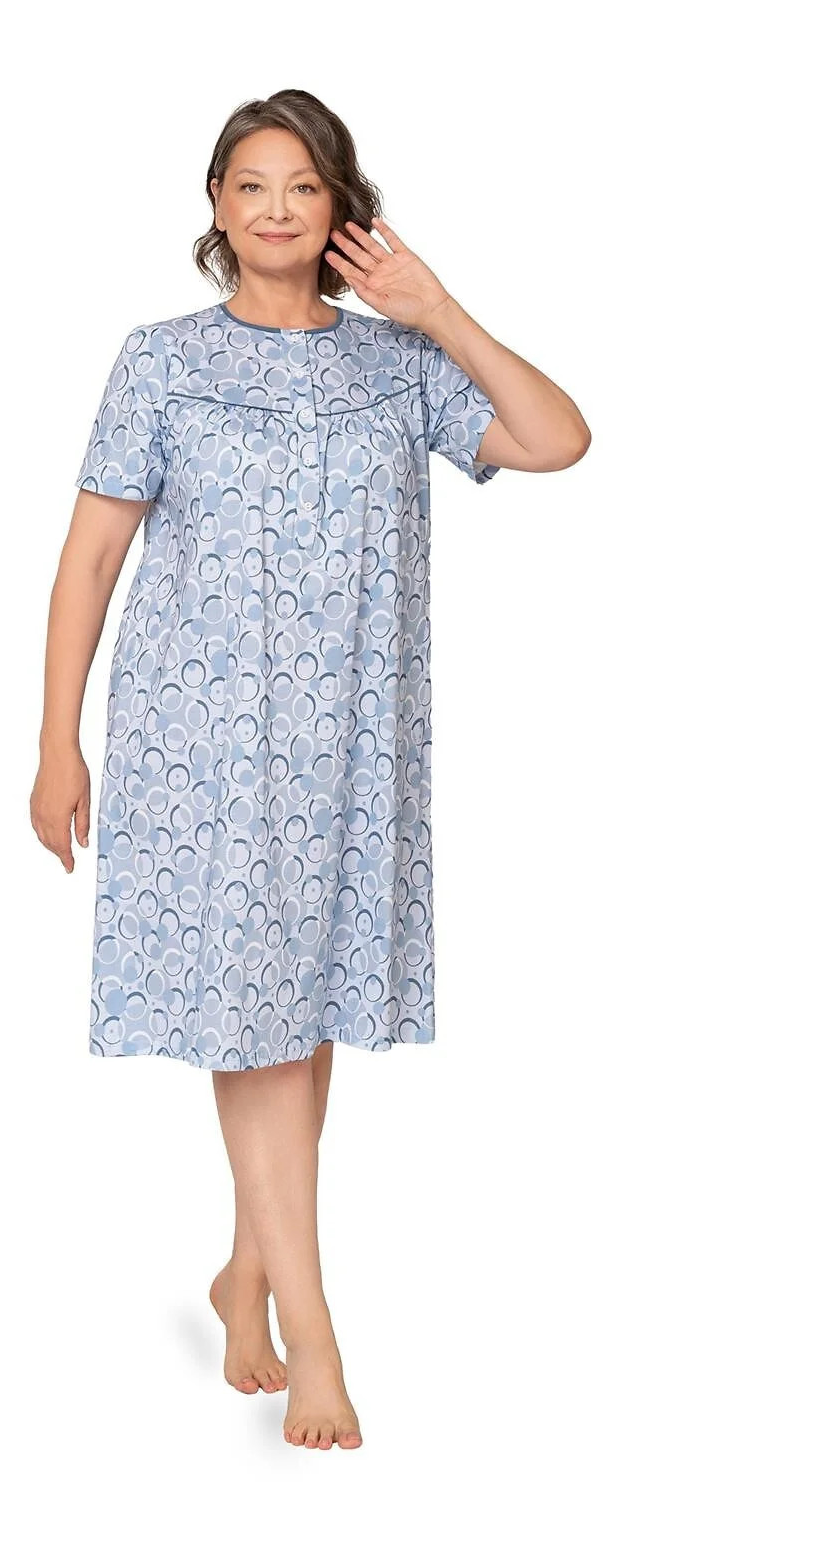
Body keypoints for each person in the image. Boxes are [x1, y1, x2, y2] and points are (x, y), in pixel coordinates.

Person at [30, 89, 590, 1452]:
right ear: (217, 209)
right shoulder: (161, 362)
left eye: (300, 185)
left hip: (351, 742)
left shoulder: (398, 366)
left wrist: (439, 310)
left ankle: (244, 1272)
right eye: (249, 185)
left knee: (301, 1014)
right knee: (263, 1029)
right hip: (203, 748)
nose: (274, 207)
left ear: (341, 205)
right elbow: (91, 556)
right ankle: (313, 1330)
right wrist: (56, 740)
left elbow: (557, 437)